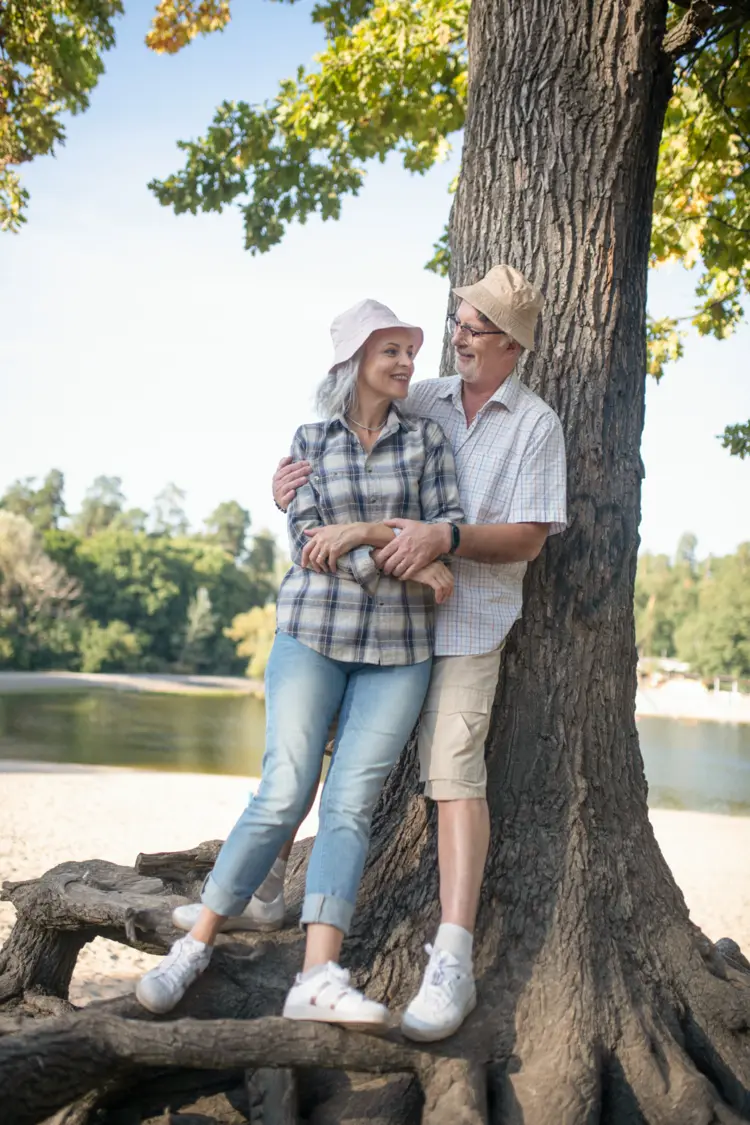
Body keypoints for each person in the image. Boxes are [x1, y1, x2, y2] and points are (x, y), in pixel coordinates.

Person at [135, 298, 464, 1031]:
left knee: (348, 804)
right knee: (284, 791)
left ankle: (317, 976)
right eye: (392, 352)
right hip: (312, 635)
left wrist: (375, 535)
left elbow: (444, 535)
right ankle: (194, 945)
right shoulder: (309, 441)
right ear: (354, 363)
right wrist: (401, 552)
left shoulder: (429, 445)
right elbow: (314, 545)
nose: (408, 362)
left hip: (399, 656)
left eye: (411, 351)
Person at [272, 265, 568, 1041]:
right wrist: (290, 490)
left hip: (469, 623)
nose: (456, 339)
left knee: (452, 774)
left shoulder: (536, 425)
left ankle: (453, 956)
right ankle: (286, 891)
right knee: (330, 764)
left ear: (510, 343)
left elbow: (532, 536)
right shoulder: (426, 394)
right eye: (459, 323)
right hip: (382, 621)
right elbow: (345, 451)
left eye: (473, 328)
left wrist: (449, 538)